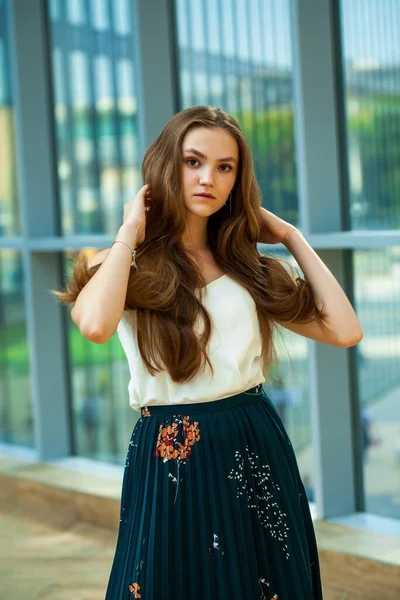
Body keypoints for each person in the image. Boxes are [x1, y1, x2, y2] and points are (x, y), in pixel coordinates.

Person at [52, 106, 363, 600]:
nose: (208, 178)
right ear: (165, 167)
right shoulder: (120, 262)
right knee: (167, 581)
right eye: (193, 161)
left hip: (252, 439)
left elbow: (344, 330)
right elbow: (93, 325)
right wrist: (131, 230)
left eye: (225, 167)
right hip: (170, 451)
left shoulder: (245, 265)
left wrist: (291, 237)